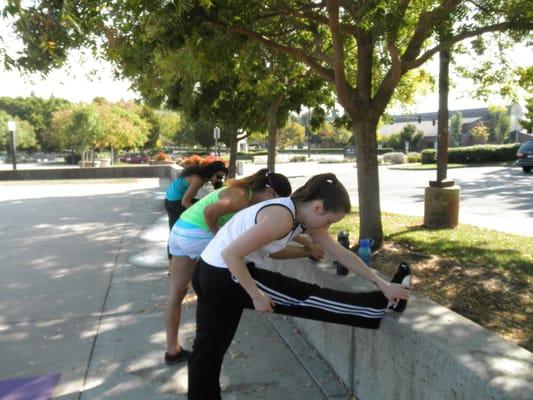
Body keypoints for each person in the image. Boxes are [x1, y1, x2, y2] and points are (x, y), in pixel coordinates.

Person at [187, 173, 412, 400]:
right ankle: (381, 305)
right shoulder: (281, 217)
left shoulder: (297, 216)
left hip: (207, 271)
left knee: (207, 351)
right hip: (226, 275)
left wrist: (381, 283)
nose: (328, 226)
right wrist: (255, 295)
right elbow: (231, 254)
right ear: (317, 207)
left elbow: (341, 254)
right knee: (307, 297)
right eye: (330, 221)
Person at [164, 168, 323, 365]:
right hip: (198, 233)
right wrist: (217, 236)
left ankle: (172, 350)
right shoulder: (241, 198)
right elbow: (210, 212)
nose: (280, 208)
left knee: (176, 293)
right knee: (230, 266)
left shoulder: (244, 194)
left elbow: (278, 228)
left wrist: (307, 245)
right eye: (279, 202)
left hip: (180, 230)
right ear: (270, 193)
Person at [164, 160, 228, 233]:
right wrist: (201, 213)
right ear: (212, 172)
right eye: (218, 177)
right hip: (175, 202)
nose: (219, 180)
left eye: (221, 178)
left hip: (168, 201)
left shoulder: (199, 175)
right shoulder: (198, 180)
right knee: (205, 210)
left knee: (173, 230)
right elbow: (185, 202)